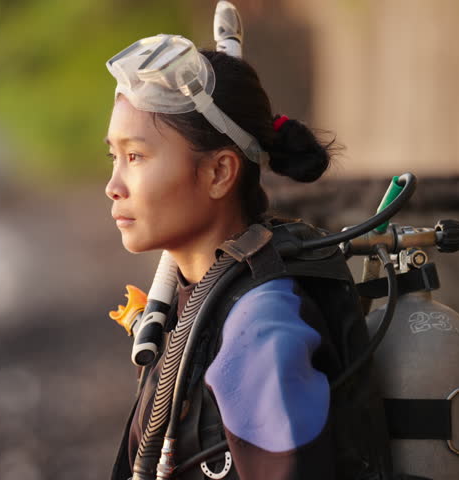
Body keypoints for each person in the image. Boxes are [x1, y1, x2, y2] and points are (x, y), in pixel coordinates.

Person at [104, 34, 367, 480]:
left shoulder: (260, 327)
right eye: (113, 156)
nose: (114, 185)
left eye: (135, 156)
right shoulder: (195, 305)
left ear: (219, 172)